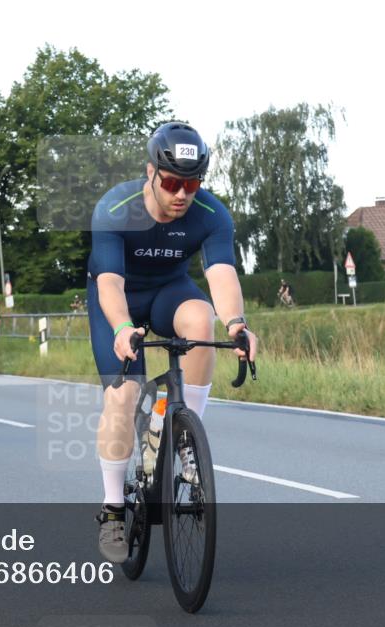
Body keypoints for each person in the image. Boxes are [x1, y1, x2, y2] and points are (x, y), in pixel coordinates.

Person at [87, 122, 258, 562]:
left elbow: (221, 275)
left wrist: (237, 325)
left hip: (169, 293)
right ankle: (111, 509)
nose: (182, 193)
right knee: (122, 398)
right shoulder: (115, 207)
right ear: (150, 173)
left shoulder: (211, 213)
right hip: (118, 300)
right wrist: (123, 328)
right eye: (171, 182)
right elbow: (108, 283)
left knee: (202, 317)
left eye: (192, 182)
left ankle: (184, 441)